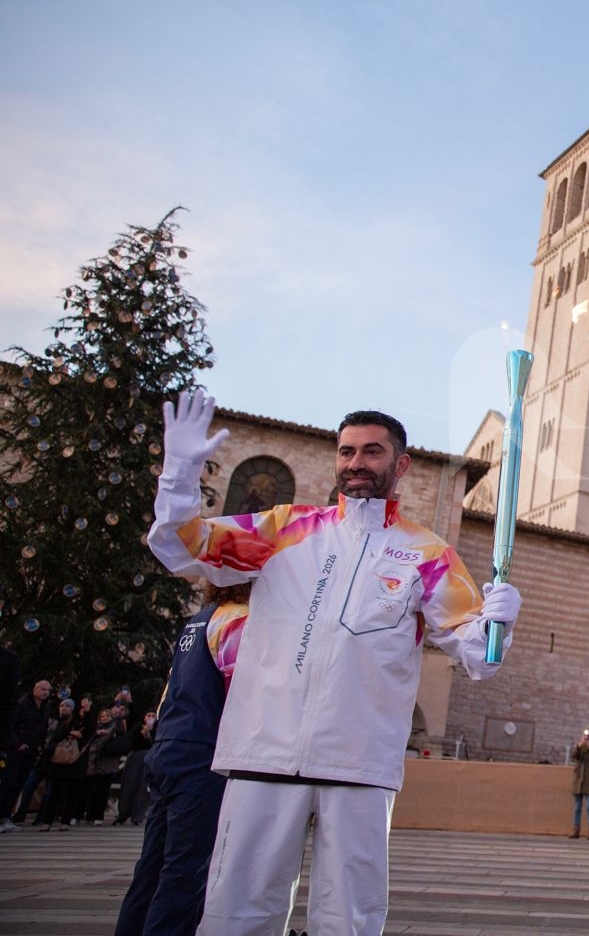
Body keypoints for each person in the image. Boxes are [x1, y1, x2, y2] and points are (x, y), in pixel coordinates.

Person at [148, 392, 522, 936]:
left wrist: (498, 625)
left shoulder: (428, 553)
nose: (356, 464)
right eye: (346, 452)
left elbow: (476, 654)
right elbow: (184, 548)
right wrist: (179, 477)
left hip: (359, 766)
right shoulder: (284, 529)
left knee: (349, 920)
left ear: (401, 465)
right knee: (236, 915)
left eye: (372, 452)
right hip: (264, 752)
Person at [114, 582, 250, 936]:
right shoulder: (239, 619)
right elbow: (244, 695)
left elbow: (170, 690)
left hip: (170, 746)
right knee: (186, 869)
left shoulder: (198, 620)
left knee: (152, 866)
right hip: (202, 751)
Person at [1, 679, 52, 830]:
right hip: (17, 750)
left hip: (32, 751)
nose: (45, 692)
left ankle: (5, 817)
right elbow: (11, 726)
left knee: (19, 784)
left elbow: (43, 728)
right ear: (35, 689)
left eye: (48, 690)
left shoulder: (45, 708)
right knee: (8, 782)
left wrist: (40, 746)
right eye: (42, 689)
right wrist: (17, 743)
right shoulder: (22, 704)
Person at [34, 697, 87, 830]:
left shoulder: (77, 721)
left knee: (70, 793)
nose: (64, 708)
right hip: (57, 761)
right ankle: (47, 821)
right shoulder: (56, 721)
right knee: (53, 793)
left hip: (72, 761)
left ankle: (65, 821)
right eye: (62, 705)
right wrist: (69, 733)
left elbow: (88, 729)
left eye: (67, 706)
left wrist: (86, 711)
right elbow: (55, 736)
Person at [115, 709, 159, 827]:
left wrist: (150, 733)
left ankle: (138, 816)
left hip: (150, 759)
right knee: (129, 785)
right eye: (148, 715)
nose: (150, 718)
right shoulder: (138, 727)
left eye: (153, 716)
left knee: (144, 789)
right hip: (136, 758)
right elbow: (130, 741)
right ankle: (123, 814)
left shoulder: (158, 729)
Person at [569, 729, 589, 840]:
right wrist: (579, 746)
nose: (587, 739)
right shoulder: (579, 750)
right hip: (578, 783)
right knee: (577, 808)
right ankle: (575, 831)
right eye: (586, 737)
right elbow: (573, 756)